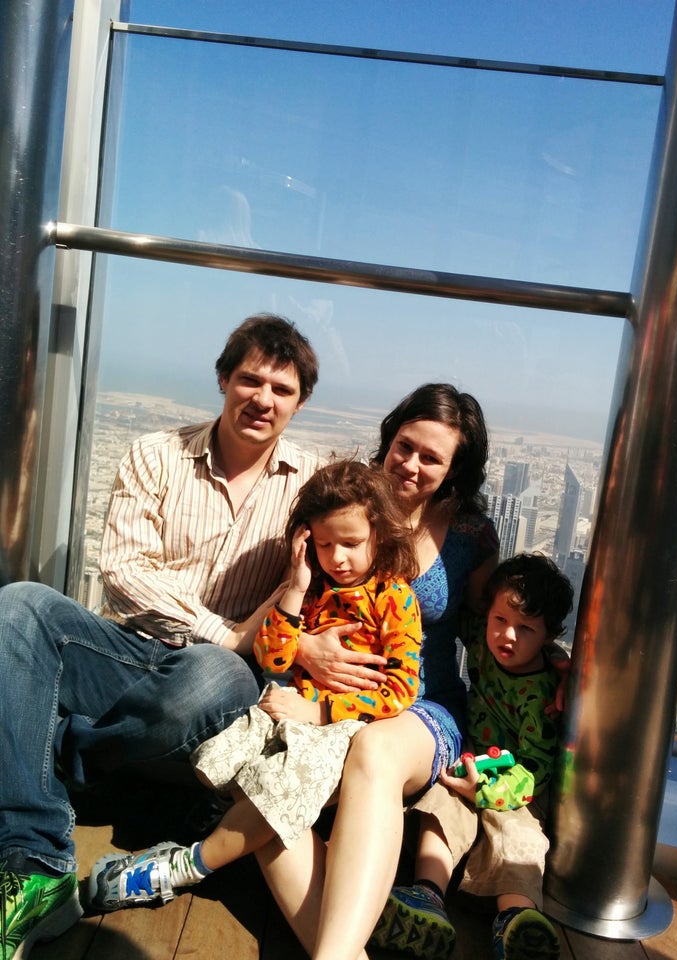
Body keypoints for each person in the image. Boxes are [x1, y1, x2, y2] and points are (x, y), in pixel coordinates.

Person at [0, 314, 383, 960]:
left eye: (281, 390)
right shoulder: (157, 454)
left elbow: (368, 537)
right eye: (249, 380)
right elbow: (124, 575)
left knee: (220, 674)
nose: (262, 399)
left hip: (221, 683)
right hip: (130, 651)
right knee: (21, 607)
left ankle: (68, 751)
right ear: (223, 380)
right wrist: (227, 634)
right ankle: (35, 860)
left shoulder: (312, 484)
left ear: (301, 401)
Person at [87, 459, 422, 909]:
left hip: (344, 725)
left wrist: (322, 712)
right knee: (224, 753)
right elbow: (273, 655)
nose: (337, 557)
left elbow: (402, 689)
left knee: (280, 784)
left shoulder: (395, 598)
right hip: (287, 710)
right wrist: (296, 588)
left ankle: (185, 866)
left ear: (379, 535)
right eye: (324, 544)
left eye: (351, 543)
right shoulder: (311, 589)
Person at [253, 383, 500, 960]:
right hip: (317, 692)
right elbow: (289, 597)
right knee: (267, 786)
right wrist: (307, 647)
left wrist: (546, 666)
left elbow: (490, 619)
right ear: (389, 438)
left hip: (418, 706)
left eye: (432, 457)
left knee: (376, 749)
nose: (411, 465)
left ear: (455, 469)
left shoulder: (468, 533)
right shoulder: (345, 500)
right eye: (404, 446)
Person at [378, 553, 574, 960]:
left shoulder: (540, 695)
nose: (508, 636)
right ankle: (426, 894)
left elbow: (535, 769)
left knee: (517, 834)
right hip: (468, 766)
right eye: (500, 620)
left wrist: (485, 791)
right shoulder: (485, 642)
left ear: (547, 635)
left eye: (526, 629)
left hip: (517, 789)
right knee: (442, 807)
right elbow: (456, 619)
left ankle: (518, 918)